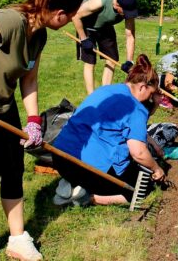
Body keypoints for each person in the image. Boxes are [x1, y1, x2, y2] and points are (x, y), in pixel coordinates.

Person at [0, 0, 84, 260]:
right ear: (59, 12)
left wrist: (33, 120)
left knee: (13, 171)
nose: (70, 20)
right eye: (70, 15)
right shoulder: (12, 21)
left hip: (3, 107)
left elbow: (29, 78)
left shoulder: (39, 35)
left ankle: (17, 238)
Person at [52, 54, 165, 207]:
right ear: (142, 87)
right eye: (151, 94)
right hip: (87, 168)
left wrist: (155, 105)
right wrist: (156, 169)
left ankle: (72, 182)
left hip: (61, 157)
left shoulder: (107, 91)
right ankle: (87, 197)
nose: (150, 98)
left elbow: (130, 126)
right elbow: (138, 153)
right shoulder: (136, 109)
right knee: (142, 189)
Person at [72, 0, 138, 94]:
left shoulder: (127, 6)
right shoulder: (98, 1)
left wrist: (129, 60)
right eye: (125, 12)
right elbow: (75, 16)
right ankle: (92, 97)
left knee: (112, 60)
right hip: (87, 26)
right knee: (90, 62)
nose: (127, 15)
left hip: (105, 26)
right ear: (117, 5)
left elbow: (130, 35)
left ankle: (104, 94)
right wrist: (84, 39)